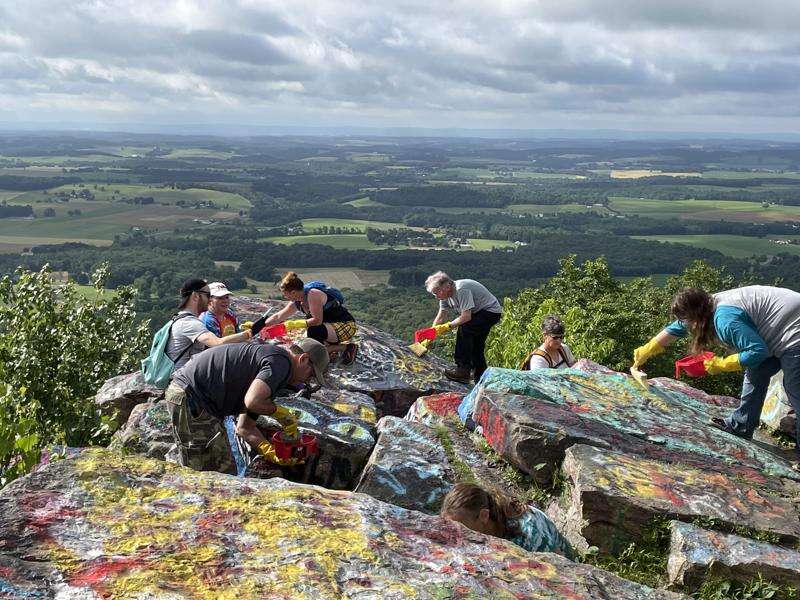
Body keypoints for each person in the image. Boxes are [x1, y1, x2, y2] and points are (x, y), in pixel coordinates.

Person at [633, 285, 800, 451]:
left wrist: (719, 364)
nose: (686, 325)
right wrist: (647, 349)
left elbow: (757, 351)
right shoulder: (705, 306)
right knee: (756, 373)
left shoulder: (724, 320)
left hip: (794, 330)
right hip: (779, 328)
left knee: (795, 389)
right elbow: (676, 328)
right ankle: (740, 425)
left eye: (687, 320)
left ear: (695, 318)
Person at [165, 337, 330, 473]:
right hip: (190, 396)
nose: (307, 381)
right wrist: (281, 414)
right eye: (311, 375)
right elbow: (252, 401)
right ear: (303, 359)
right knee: (201, 469)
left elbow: (245, 428)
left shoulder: (271, 372)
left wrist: (269, 451)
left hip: (198, 399)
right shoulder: (281, 362)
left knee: (224, 468)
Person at [440, 483, 576, 559]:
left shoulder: (529, 538)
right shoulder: (494, 516)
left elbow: (561, 573)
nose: (455, 533)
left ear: (484, 516)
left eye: (460, 527)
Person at [262, 272, 358, 365]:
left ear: (293, 292)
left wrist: (294, 324)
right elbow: (278, 316)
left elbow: (317, 320)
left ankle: (346, 348)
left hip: (345, 325)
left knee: (313, 333)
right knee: (306, 345)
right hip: (329, 328)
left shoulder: (313, 294)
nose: (285, 296)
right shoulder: (297, 301)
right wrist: (259, 326)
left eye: (285, 294)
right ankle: (330, 351)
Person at [426, 272, 503, 384]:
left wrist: (448, 326)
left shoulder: (461, 289)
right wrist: (430, 336)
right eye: (434, 294)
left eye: (437, 292)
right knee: (476, 346)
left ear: (447, 286)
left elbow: (466, 317)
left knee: (464, 329)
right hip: (479, 313)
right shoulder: (444, 297)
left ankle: (463, 370)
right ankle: (481, 378)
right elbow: (440, 317)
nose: (436, 296)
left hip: (490, 312)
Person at [167, 278, 253, 371]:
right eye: (208, 295)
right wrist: (249, 333)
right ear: (195, 296)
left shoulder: (184, 318)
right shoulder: (189, 323)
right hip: (183, 378)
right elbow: (217, 344)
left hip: (188, 375)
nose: (209, 300)